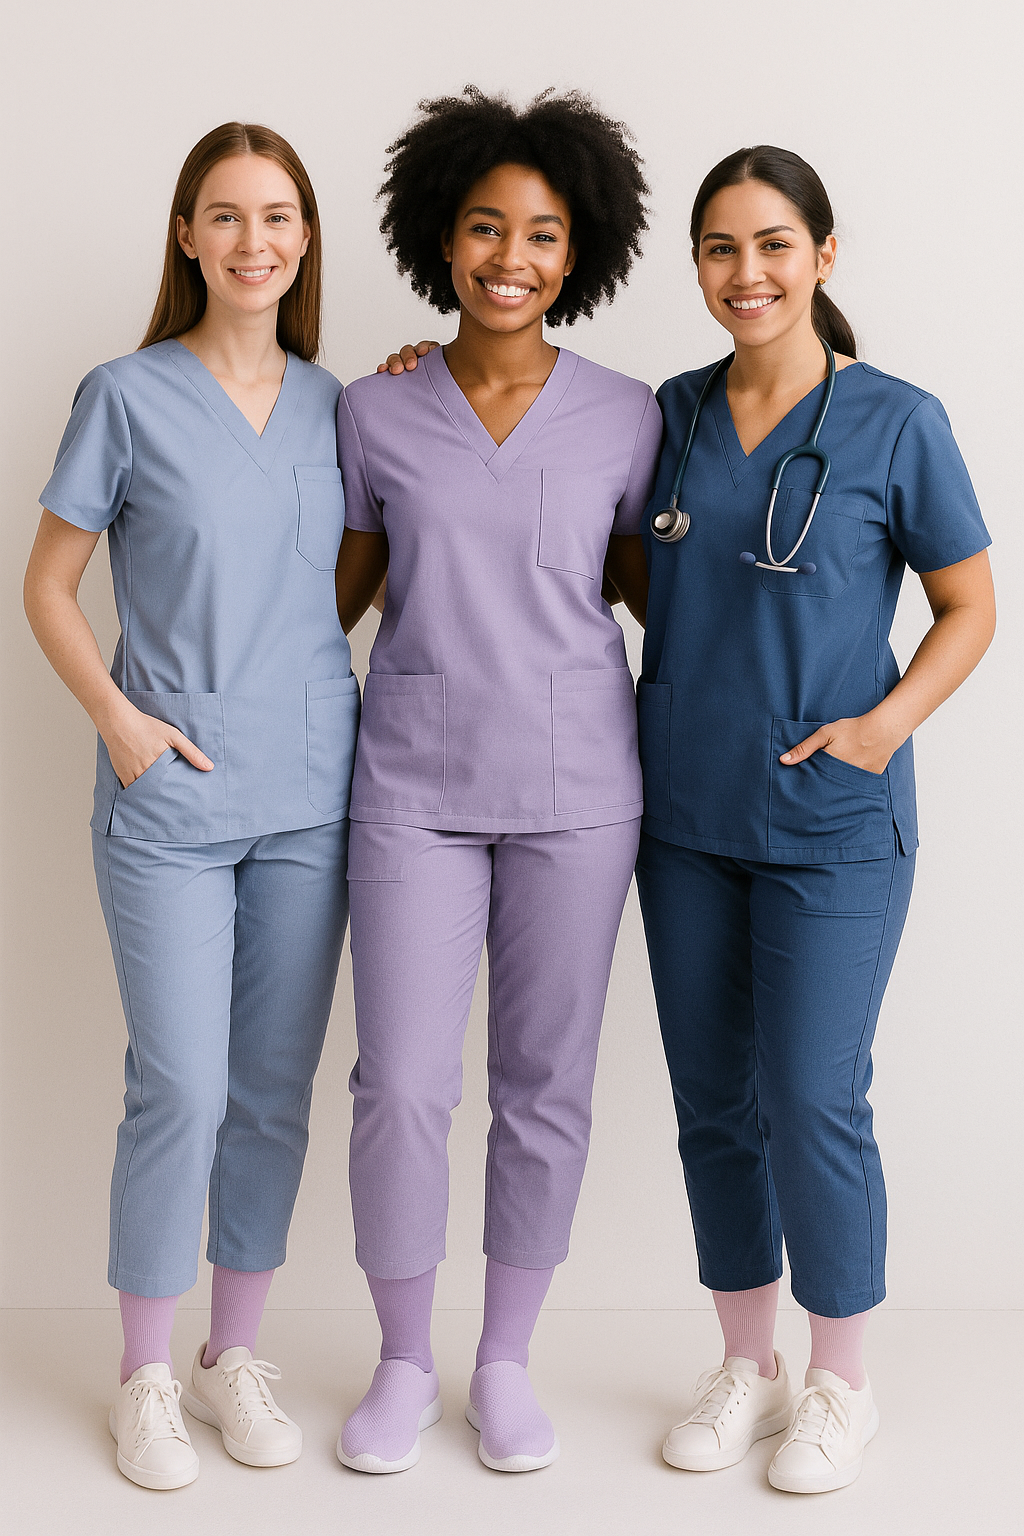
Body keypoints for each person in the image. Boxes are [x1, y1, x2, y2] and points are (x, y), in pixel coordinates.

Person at [633, 146, 995, 1494]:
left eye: (774, 245)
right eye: (722, 249)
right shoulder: (667, 415)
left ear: (823, 256)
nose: (748, 273)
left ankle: (840, 1384)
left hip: (835, 822)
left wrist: (889, 723)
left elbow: (969, 605)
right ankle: (746, 1363)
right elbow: (560, 505)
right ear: (699, 267)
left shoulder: (898, 421)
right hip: (684, 815)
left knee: (812, 1096)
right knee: (712, 1104)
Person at [23, 123, 358, 1490]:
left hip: (312, 794)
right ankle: (145, 1377)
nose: (254, 241)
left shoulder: (344, 405)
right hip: (169, 793)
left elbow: (347, 577)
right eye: (225, 217)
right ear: (185, 236)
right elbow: (49, 585)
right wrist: (121, 722)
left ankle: (235, 1357)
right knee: (183, 1083)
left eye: (278, 216)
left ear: (306, 239)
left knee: (272, 1091)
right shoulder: (125, 394)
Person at [331, 86, 661, 1475]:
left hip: (581, 789)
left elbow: (657, 602)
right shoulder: (375, 407)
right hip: (410, 784)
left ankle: (505, 1359)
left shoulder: (634, 418)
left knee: (545, 1085)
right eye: (484, 229)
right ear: (438, 240)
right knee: (401, 1084)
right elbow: (329, 609)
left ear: (578, 252)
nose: (510, 257)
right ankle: (404, 1362)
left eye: (540, 233)